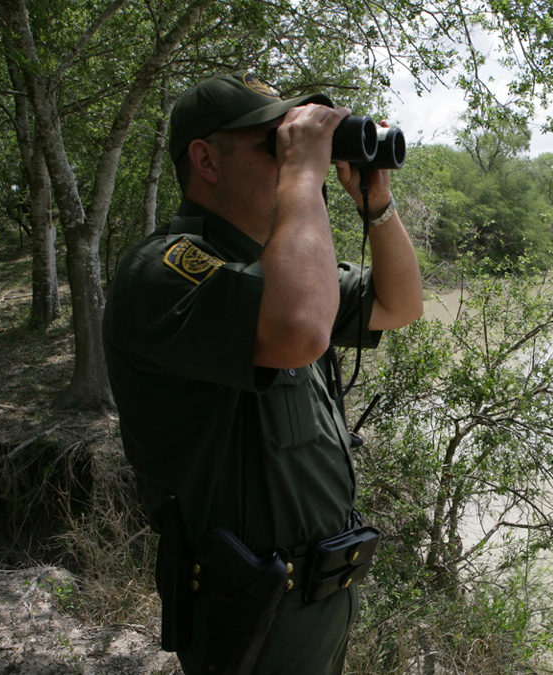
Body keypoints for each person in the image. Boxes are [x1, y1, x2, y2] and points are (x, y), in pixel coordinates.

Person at [102, 70, 423, 674]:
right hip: (250, 609)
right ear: (206, 160)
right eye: (273, 144)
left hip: (322, 598)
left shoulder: (280, 267)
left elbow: (399, 303)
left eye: (293, 145)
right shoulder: (163, 269)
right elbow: (298, 328)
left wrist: (376, 204)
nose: (295, 157)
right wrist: (302, 173)